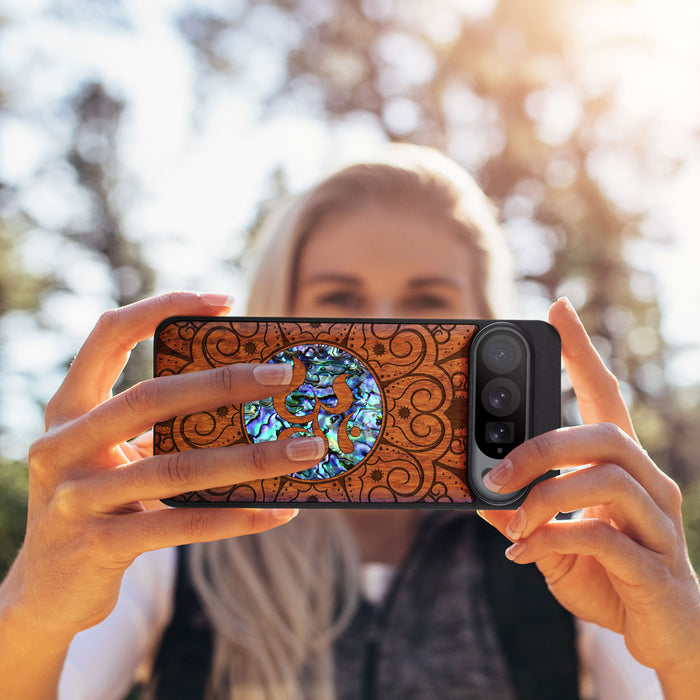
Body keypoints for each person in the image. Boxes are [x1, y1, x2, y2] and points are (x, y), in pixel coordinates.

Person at [0, 145, 698, 700]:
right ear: (280, 315)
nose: (385, 330)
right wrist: (34, 607)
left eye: (428, 302)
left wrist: (685, 649)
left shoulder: (566, 543)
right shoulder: (171, 534)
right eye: (340, 300)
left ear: (487, 324)